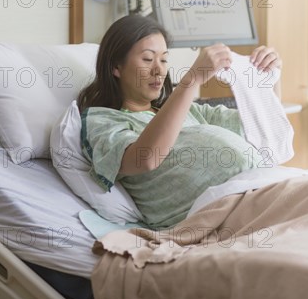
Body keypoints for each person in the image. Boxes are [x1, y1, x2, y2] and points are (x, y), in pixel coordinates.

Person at [78, 14, 282, 230]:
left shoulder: (189, 109)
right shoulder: (102, 120)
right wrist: (191, 80)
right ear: (116, 67)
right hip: (218, 216)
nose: (159, 70)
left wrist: (269, 78)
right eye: (148, 59)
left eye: (164, 59)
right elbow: (147, 158)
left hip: (263, 189)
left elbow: (264, 127)